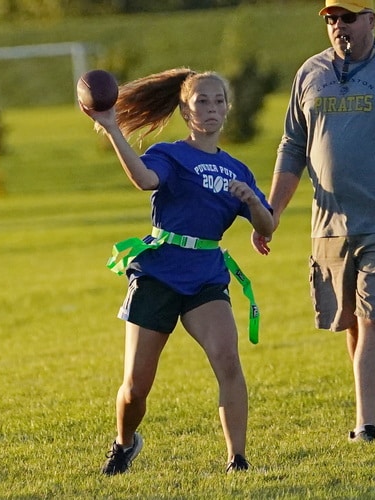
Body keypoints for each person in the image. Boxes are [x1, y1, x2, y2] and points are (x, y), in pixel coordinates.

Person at [79, 68, 274, 473]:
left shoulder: (238, 170)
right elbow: (144, 179)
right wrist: (113, 128)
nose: (211, 108)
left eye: (218, 101)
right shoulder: (170, 154)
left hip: (206, 275)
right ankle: (125, 442)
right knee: (136, 387)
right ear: (185, 111)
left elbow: (267, 225)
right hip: (159, 273)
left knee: (228, 359)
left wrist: (253, 203)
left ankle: (237, 459)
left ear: (228, 108)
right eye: (202, 101)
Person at [252, 0, 375, 442]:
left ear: (371, 20)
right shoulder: (311, 72)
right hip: (331, 224)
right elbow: (292, 145)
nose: (339, 26)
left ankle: (365, 425)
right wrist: (272, 211)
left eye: (348, 18)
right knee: (352, 321)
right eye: (332, 19)